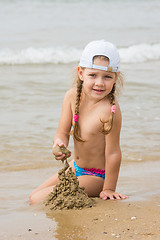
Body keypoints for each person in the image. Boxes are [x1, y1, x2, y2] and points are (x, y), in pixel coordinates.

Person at [29, 40, 128, 204]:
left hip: (96, 177)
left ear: (115, 78)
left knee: (38, 200)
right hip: (75, 168)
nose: (99, 83)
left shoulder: (110, 110)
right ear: (81, 73)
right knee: (34, 195)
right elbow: (62, 131)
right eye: (92, 75)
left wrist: (109, 188)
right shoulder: (71, 96)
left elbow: (113, 153)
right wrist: (59, 143)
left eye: (107, 77)